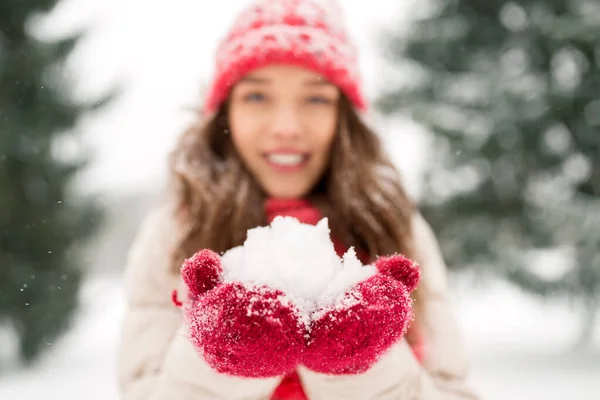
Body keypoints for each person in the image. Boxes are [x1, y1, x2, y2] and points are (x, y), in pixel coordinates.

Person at [117, 0, 480, 399]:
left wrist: (357, 363)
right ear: (226, 113)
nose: (286, 127)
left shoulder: (394, 225)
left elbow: (453, 391)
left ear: (344, 116)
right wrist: (229, 357)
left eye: (316, 98)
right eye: (257, 97)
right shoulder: (177, 231)